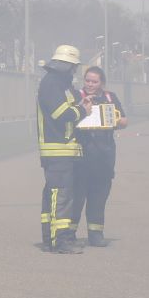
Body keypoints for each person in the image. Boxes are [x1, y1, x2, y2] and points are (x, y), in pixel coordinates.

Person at [36, 44, 85, 254]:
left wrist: (81, 103)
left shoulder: (61, 84)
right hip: (57, 150)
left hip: (64, 150)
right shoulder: (52, 83)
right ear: (68, 66)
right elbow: (61, 113)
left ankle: (50, 238)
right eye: (74, 67)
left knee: (56, 195)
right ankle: (60, 241)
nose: (74, 71)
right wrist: (83, 110)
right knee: (61, 196)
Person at [71, 65, 127, 246]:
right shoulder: (76, 96)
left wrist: (114, 119)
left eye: (94, 82)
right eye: (87, 80)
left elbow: (124, 120)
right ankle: (69, 233)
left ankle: (95, 234)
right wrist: (82, 106)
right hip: (81, 155)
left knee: (99, 196)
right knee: (77, 196)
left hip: (104, 156)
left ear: (101, 83)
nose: (90, 84)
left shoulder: (110, 98)